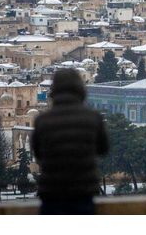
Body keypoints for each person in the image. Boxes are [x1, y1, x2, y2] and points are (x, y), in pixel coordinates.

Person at [31, 68, 109, 214]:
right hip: (83, 192)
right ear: (80, 89)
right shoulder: (93, 118)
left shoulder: (42, 121)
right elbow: (103, 149)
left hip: (51, 194)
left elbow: (38, 154)